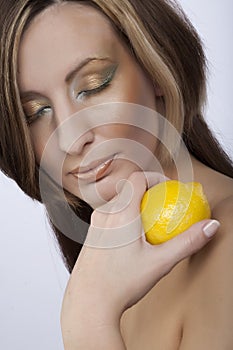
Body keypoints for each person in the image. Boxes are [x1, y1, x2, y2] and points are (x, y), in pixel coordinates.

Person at [0, 0, 233, 348]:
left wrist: (87, 320)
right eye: (35, 112)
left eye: (93, 86)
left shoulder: (227, 249)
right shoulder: (111, 261)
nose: (70, 137)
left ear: (156, 68)